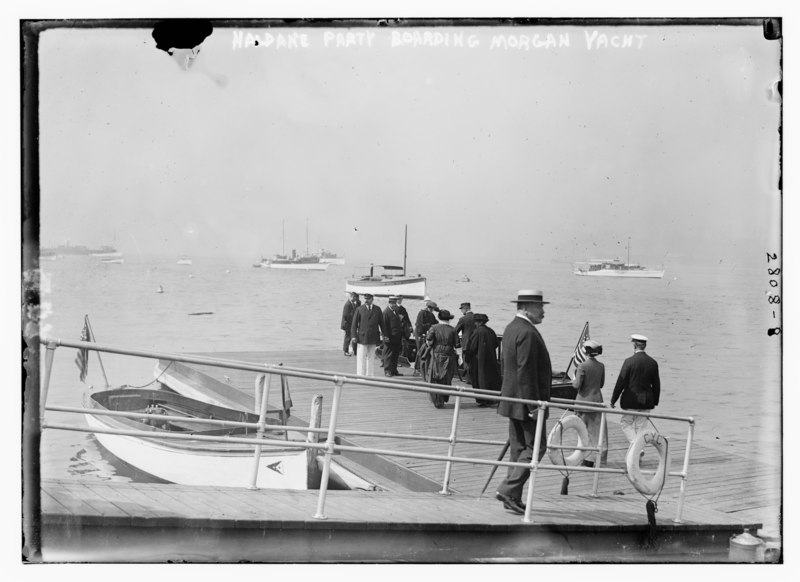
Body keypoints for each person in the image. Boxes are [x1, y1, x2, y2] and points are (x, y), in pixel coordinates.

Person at [495, 290, 552, 516]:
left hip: (511, 399)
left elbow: (509, 366)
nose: (543, 312)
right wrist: (533, 406)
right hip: (527, 403)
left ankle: (512, 497)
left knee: (518, 450)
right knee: (536, 447)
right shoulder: (528, 332)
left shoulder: (510, 328)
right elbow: (526, 371)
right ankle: (507, 490)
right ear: (527, 307)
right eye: (540, 308)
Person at [610, 334, 661, 454]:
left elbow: (620, 382)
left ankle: (636, 446)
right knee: (641, 428)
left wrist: (613, 400)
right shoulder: (653, 363)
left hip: (630, 400)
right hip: (646, 401)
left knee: (625, 423)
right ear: (645, 346)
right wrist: (655, 401)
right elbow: (657, 384)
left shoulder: (629, 361)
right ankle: (638, 453)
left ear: (634, 345)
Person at [571, 339, 608, 467]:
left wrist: (574, 379)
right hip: (596, 403)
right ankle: (591, 459)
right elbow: (601, 384)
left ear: (586, 352)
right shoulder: (601, 366)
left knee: (582, 432)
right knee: (594, 433)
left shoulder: (582, 366)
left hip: (582, 403)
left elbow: (576, 385)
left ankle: (583, 457)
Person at [464, 313, 501, 407]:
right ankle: (491, 399)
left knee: (478, 380)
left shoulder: (477, 332)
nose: (475, 323)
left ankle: (482, 400)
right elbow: (496, 344)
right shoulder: (491, 331)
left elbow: (471, 347)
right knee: (490, 379)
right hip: (491, 359)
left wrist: (467, 359)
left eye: (476, 322)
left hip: (478, 360)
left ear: (479, 322)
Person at [425, 309, 459, 408]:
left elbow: (429, 342)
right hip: (449, 355)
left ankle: (437, 400)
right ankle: (443, 398)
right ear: (449, 319)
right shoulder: (453, 329)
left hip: (436, 355)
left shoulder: (433, 328)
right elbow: (457, 345)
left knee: (435, 377)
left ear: (439, 318)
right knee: (447, 377)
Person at [350, 293, 385, 377]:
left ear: (372, 299)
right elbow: (354, 324)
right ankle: (360, 376)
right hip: (362, 338)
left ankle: (370, 375)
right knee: (361, 358)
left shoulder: (377, 309)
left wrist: (385, 334)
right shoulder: (359, 309)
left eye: (368, 299)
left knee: (371, 357)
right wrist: (354, 336)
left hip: (373, 337)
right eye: (365, 299)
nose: (366, 300)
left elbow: (382, 323)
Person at [382, 296, 405, 377]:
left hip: (396, 337)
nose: (395, 305)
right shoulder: (386, 312)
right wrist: (385, 336)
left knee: (395, 354)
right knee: (388, 354)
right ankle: (387, 370)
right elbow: (384, 326)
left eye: (395, 303)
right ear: (390, 303)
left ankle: (394, 370)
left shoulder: (396, 311)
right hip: (389, 337)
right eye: (393, 303)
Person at [414, 300, 439, 376]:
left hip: (426, 334)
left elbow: (436, 322)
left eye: (433, 309)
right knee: (420, 351)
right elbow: (419, 325)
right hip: (420, 334)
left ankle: (423, 367)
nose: (432, 310)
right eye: (431, 309)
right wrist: (429, 326)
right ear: (428, 307)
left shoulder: (431, 315)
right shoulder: (422, 313)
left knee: (425, 351)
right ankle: (417, 369)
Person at [455, 302, 475, 382]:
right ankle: (474, 379)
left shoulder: (463, 319)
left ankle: (468, 379)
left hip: (466, 344)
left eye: (462, 309)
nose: (461, 311)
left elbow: (455, 331)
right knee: (474, 362)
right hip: (475, 343)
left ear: (466, 309)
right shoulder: (476, 317)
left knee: (466, 361)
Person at [340, 292, 361, 356]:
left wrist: (358, 302)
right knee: (348, 337)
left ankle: (355, 351)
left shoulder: (352, 304)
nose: (356, 299)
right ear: (352, 297)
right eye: (355, 297)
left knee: (354, 337)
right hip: (347, 324)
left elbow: (357, 309)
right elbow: (346, 315)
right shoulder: (348, 304)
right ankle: (345, 351)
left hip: (351, 324)